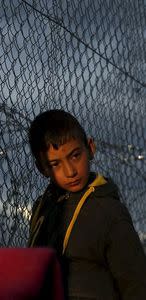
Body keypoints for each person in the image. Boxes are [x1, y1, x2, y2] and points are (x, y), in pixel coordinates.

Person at [27, 109, 146, 299]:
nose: (70, 171)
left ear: (90, 148)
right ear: (42, 168)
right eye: (55, 164)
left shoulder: (109, 213)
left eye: (75, 156)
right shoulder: (42, 209)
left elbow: (136, 285)